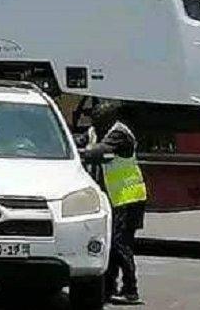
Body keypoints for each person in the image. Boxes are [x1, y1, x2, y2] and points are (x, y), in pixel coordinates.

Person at [76, 99, 148, 305]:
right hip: (113, 199)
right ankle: (109, 287)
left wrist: (77, 154)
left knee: (120, 243)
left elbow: (97, 152)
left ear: (110, 118)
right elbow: (80, 141)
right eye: (94, 117)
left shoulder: (120, 134)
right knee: (111, 244)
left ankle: (130, 289)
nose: (95, 120)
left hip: (129, 197)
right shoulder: (94, 131)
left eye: (99, 117)